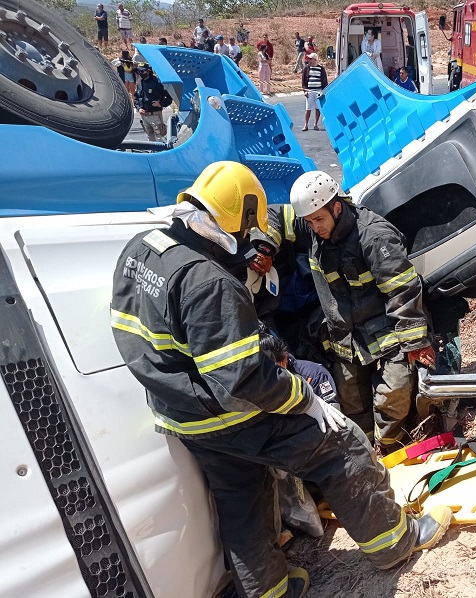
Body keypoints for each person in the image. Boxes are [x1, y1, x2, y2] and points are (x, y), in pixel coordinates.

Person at [110, 161, 453, 598]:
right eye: (244, 232)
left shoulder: (141, 248)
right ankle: (394, 544)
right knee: (342, 447)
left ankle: (270, 591)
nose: (244, 243)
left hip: (182, 415)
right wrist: (305, 398)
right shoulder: (207, 281)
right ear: (236, 215)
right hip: (232, 411)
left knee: (242, 501)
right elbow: (244, 378)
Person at [263, 171, 436, 453]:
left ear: (337, 206)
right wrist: (264, 246)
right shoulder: (312, 226)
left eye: (319, 219)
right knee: (351, 403)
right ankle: (367, 454)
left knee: (393, 395)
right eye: (309, 221)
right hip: (345, 337)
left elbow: (402, 290)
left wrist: (416, 342)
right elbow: (275, 216)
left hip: (387, 331)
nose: (314, 228)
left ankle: (391, 449)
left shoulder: (374, 236)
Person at [134, 63, 168, 141]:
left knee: (160, 138)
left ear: (148, 71)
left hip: (155, 115)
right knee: (150, 137)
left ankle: (162, 152)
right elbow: (136, 98)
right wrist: (139, 108)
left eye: (142, 71)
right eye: (139, 72)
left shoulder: (157, 83)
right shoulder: (140, 83)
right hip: (144, 116)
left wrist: (161, 104)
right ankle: (152, 152)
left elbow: (168, 97)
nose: (140, 73)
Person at [301, 53, 327, 131]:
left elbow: (324, 80)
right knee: (308, 108)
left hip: (318, 91)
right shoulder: (306, 68)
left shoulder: (321, 69)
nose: (309, 60)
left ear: (315, 60)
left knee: (317, 108)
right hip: (309, 91)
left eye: (310, 59)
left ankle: (315, 124)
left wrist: (323, 91)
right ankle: (306, 125)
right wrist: (305, 91)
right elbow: (303, 80)